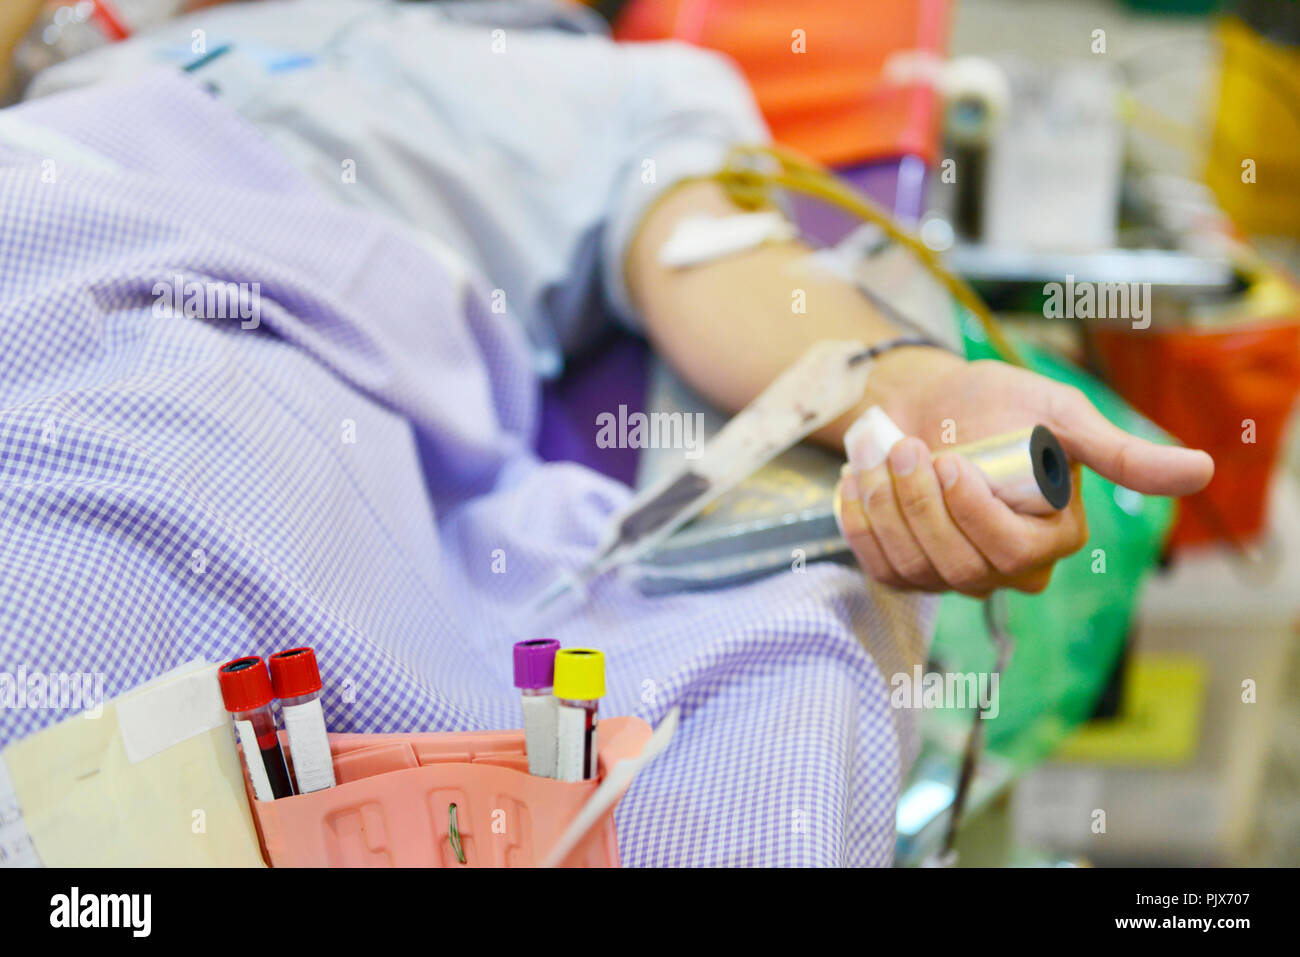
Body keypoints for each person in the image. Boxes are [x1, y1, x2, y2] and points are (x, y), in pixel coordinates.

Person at [0, 0, 1210, 865]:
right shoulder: (105, 31)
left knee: (107, 523)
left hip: (262, 309)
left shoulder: (614, 87)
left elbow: (723, 267)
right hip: (49, 188)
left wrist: (917, 388)